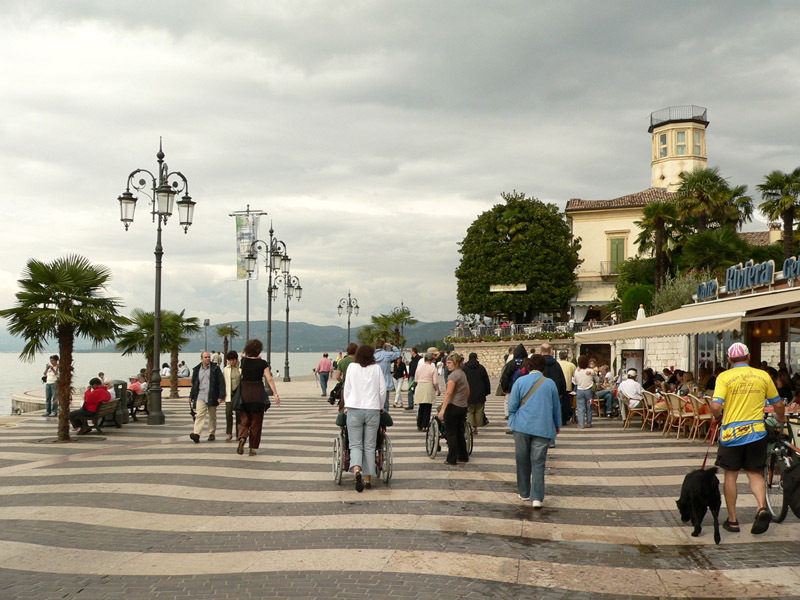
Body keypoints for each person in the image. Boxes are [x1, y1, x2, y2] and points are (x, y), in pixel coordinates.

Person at [711, 342, 786, 535]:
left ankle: (733, 520)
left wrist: (717, 417)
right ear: (749, 357)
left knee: (731, 475)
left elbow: (715, 406)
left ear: (729, 359)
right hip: (756, 432)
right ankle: (761, 508)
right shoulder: (763, 375)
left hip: (731, 434)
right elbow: (778, 404)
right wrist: (780, 418)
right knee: (754, 473)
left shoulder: (724, 377)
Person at [509, 354, 562, 508]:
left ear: (529, 366)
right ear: (544, 368)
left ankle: (524, 492)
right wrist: (557, 425)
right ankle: (537, 498)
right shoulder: (550, 384)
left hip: (521, 426)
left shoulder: (520, 382)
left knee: (522, 460)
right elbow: (556, 407)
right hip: (543, 427)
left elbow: (512, 406)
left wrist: (513, 418)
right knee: (538, 462)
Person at [343, 344, 385, 492]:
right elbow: (382, 390)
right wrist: (380, 406)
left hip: (354, 408)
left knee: (355, 444)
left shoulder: (352, 367)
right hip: (372, 409)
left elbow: (347, 388)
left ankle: (356, 470)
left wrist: (347, 405)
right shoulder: (377, 368)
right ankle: (367, 479)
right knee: (370, 445)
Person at [237, 339, 280, 455]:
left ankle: (242, 437)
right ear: (259, 350)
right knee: (256, 423)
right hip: (258, 394)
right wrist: (276, 394)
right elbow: (269, 379)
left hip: (245, 393)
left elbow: (240, 373)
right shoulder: (263, 363)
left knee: (245, 419)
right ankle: (252, 448)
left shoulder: (244, 361)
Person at [437, 352, 470, 465]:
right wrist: (465, 400)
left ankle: (451, 458)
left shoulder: (453, 376)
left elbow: (448, 393)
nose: (447, 365)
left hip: (453, 406)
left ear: (456, 363)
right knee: (460, 432)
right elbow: (467, 390)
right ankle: (463, 455)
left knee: (451, 433)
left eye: (449, 363)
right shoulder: (462, 374)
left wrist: (443, 409)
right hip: (462, 406)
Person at [188, 351, 225, 443]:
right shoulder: (197, 369)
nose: (208, 359)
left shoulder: (215, 368)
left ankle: (211, 433)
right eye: (206, 357)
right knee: (199, 415)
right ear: (201, 358)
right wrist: (191, 396)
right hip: (200, 395)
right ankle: (196, 434)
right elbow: (194, 384)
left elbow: (221, 382)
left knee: (212, 415)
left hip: (212, 395)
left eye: (209, 357)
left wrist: (221, 396)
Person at [539, 343, 567, 442]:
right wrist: (561, 392)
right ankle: (551, 440)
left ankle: (542, 437)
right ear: (550, 351)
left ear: (541, 351)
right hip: (555, 392)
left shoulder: (540, 364)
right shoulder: (556, 364)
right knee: (553, 415)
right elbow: (562, 379)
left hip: (541, 392)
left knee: (542, 415)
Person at [463, 352, 490, 434]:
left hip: (469, 393)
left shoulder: (464, 368)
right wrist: (487, 391)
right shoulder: (481, 368)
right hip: (480, 393)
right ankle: (476, 427)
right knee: (479, 410)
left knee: (470, 410)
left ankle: (471, 427)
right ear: (476, 358)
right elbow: (486, 380)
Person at [500, 344, 528, 420]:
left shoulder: (511, 363)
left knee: (507, 401)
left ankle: (507, 414)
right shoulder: (527, 363)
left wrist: (504, 388)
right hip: (524, 387)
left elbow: (505, 376)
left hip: (511, 386)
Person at [414, 350, 441, 430]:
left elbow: (416, 379)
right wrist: (437, 390)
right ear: (431, 359)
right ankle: (425, 424)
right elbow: (435, 382)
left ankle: (419, 424)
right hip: (428, 386)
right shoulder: (433, 368)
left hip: (420, 386)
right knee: (427, 407)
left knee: (421, 406)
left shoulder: (419, 368)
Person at [374, 338, 402, 412]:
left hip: (375, 383)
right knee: (385, 404)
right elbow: (398, 354)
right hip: (386, 382)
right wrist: (391, 346)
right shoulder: (387, 355)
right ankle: (385, 417)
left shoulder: (372, 356)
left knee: (376, 404)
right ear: (383, 345)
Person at [222, 350, 242, 442]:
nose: (231, 362)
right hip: (229, 393)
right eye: (229, 360)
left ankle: (239, 433)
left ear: (236, 359)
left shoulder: (241, 368)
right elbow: (224, 382)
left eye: (233, 360)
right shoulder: (226, 369)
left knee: (239, 413)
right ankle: (229, 433)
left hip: (239, 393)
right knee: (228, 413)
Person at [334, 343, 358, 412]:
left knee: (343, 405)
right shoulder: (358, 361)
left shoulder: (341, 361)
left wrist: (342, 382)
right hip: (356, 386)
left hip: (345, 386)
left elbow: (337, 376)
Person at [573, 355, 595, 428]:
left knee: (580, 408)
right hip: (589, 390)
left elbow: (575, 380)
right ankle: (589, 423)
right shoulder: (591, 371)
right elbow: (595, 376)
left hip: (580, 390)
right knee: (589, 407)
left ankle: (581, 424)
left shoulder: (577, 371)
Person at [557, 350, 576, 423]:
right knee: (566, 405)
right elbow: (575, 376)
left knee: (559, 404)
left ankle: (559, 419)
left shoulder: (557, 364)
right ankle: (564, 419)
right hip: (568, 386)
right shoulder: (571, 365)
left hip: (559, 387)